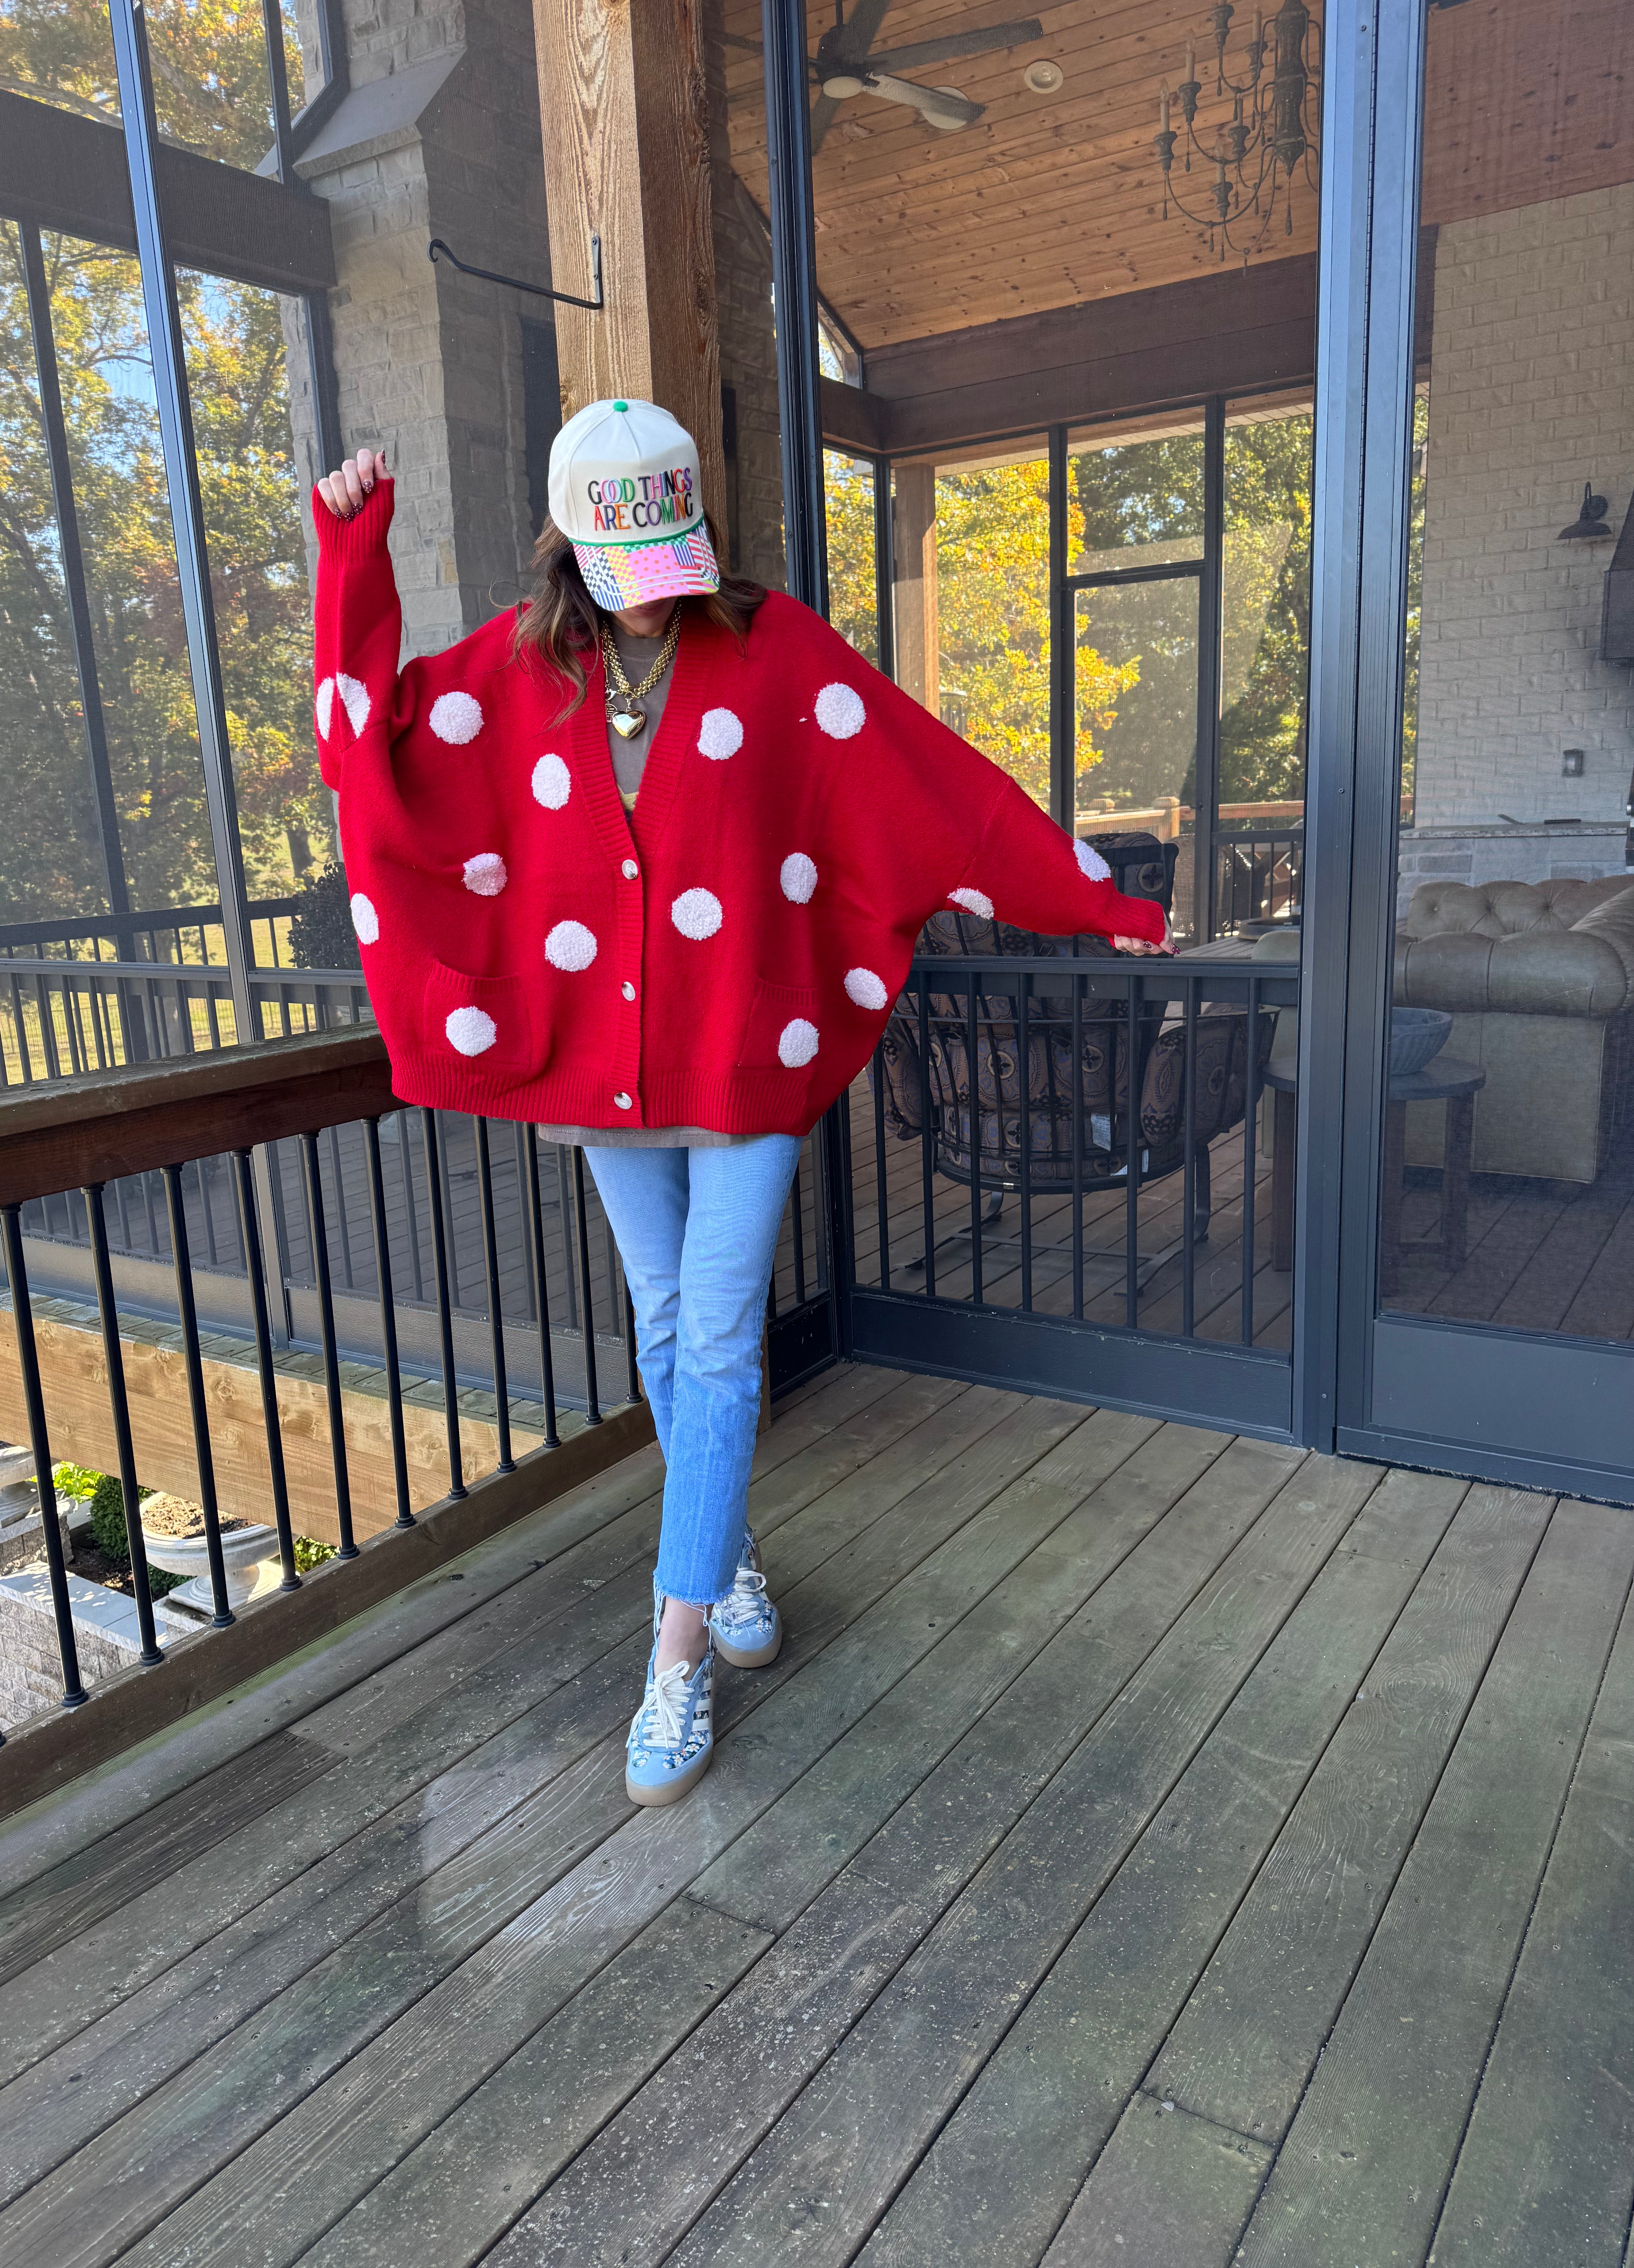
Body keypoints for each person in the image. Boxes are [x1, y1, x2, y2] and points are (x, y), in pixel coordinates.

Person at [311, 399, 1172, 1807]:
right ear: (568, 547)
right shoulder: (514, 672)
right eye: (620, 567)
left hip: (744, 1062)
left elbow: (932, 790)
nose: (653, 598)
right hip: (604, 1071)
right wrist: (354, 556)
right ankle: (729, 1556)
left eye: (669, 565)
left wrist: (1105, 906)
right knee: (666, 1325)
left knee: (711, 1341)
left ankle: (675, 1647)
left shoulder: (776, 654)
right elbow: (373, 760)